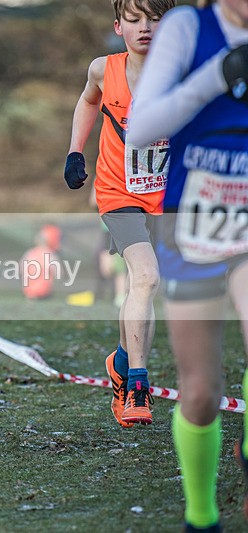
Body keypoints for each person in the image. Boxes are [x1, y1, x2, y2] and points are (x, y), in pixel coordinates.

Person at [128, 0, 248, 530]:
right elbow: (141, 129)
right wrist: (216, 76)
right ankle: (202, 517)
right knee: (200, 392)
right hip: (193, 222)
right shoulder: (186, 27)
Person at [63, 0, 176, 428]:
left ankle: (122, 362)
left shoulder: (185, 72)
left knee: (149, 288)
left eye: (155, 18)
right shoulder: (102, 70)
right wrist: (75, 151)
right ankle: (137, 389)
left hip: (168, 196)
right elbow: (88, 102)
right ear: (118, 26)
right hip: (118, 192)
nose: (145, 28)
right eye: (134, 20)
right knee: (145, 277)